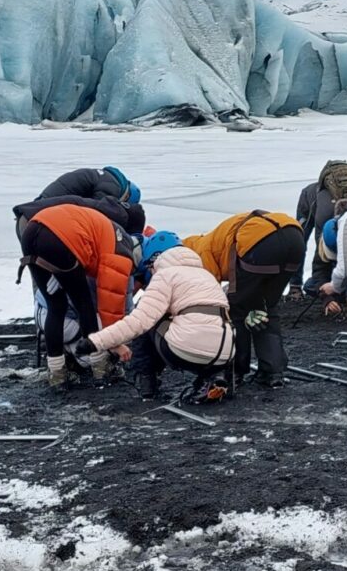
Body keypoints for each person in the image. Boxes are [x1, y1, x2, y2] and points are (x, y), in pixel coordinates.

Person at [73, 240, 234, 404]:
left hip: (187, 351)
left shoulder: (165, 276)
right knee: (217, 325)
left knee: (149, 321)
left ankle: (147, 385)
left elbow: (139, 321)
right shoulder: (207, 276)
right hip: (223, 353)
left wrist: (95, 342)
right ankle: (215, 378)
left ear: (156, 262)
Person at [15, 201, 138, 388]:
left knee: (56, 304)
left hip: (32, 231)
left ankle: (57, 373)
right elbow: (110, 306)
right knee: (84, 304)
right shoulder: (120, 255)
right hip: (61, 237)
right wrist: (115, 342)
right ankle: (100, 367)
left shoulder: (111, 234)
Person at [183, 210, 306, 388]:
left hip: (261, 243)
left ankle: (236, 371)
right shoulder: (211, 240)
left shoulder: (200, 251)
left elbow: (211, 295)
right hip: (294, 237)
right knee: (266, 309)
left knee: (236, 309)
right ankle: (273, 372)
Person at [295, 160, 347, 295]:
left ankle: (295, 288)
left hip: (341, 214)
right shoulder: (323, 210)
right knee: (301, 239)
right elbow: (321, 255)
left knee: (300, 240)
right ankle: (295, 284)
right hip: (314, 205)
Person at [39, 166, 140, 207]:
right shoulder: (113, 186)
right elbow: (99, 211)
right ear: (126, 197)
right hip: (49, 207)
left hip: (43, 202)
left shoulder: (106, 177)